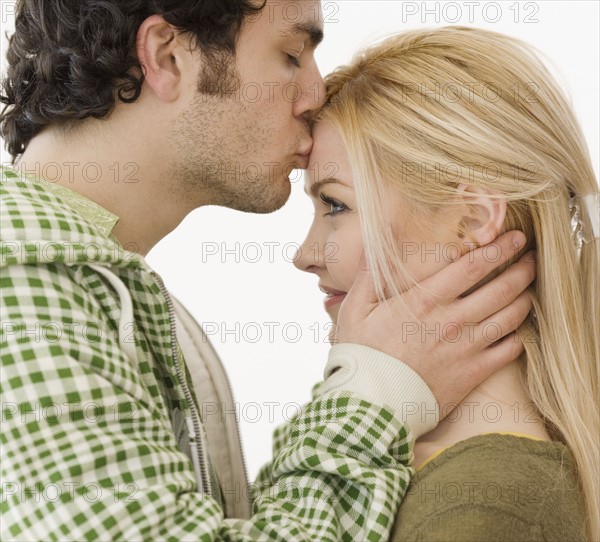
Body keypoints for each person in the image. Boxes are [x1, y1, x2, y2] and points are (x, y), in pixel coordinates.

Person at [0, 2, 535, 540]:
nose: (315, 94)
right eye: (291, 54)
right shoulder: (20, 287)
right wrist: (377, 394)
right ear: (168, 57)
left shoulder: (107, 296)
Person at [295, 26, 599, 541]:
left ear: (474, 222)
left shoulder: (485, 511)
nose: (305, 255)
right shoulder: (405, 468)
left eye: (336, 205)